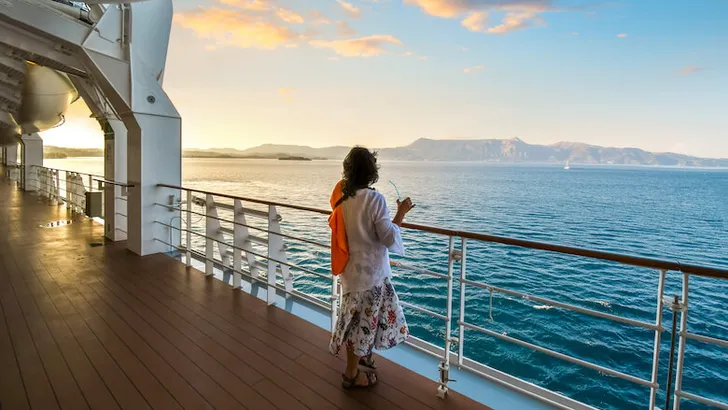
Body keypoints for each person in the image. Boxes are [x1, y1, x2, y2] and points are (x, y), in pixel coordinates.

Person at [328, 147, 416, 389]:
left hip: (351, 274)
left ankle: (362, 361)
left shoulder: (342, 200)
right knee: (362, 327)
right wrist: (401, 212)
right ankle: (351, 375)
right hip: (373, 278)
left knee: (356, 324)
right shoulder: (375, 199)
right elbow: (388, 237)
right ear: (371, 172)